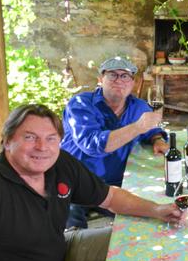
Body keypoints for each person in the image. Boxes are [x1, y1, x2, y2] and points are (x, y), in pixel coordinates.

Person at [0, 104, 185, 261]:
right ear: (7, 140)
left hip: (61, 255)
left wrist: (157, 209)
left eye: (51, 138)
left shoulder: (59, 164)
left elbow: (110, 197)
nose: (42, 147)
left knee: (132, 234)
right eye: (30, 137)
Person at [61, 56, 169, 228]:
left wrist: (157, 139)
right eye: (112, 75)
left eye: (125, 76)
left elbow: (152, 129)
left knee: (150, 221)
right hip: (75, 182)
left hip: (114, 186)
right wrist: (137, 127)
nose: (119, 80)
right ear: (100, 79)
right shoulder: (80, 104)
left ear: (132, 83)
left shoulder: (139, 107)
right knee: (70, 235)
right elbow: (92, 145)